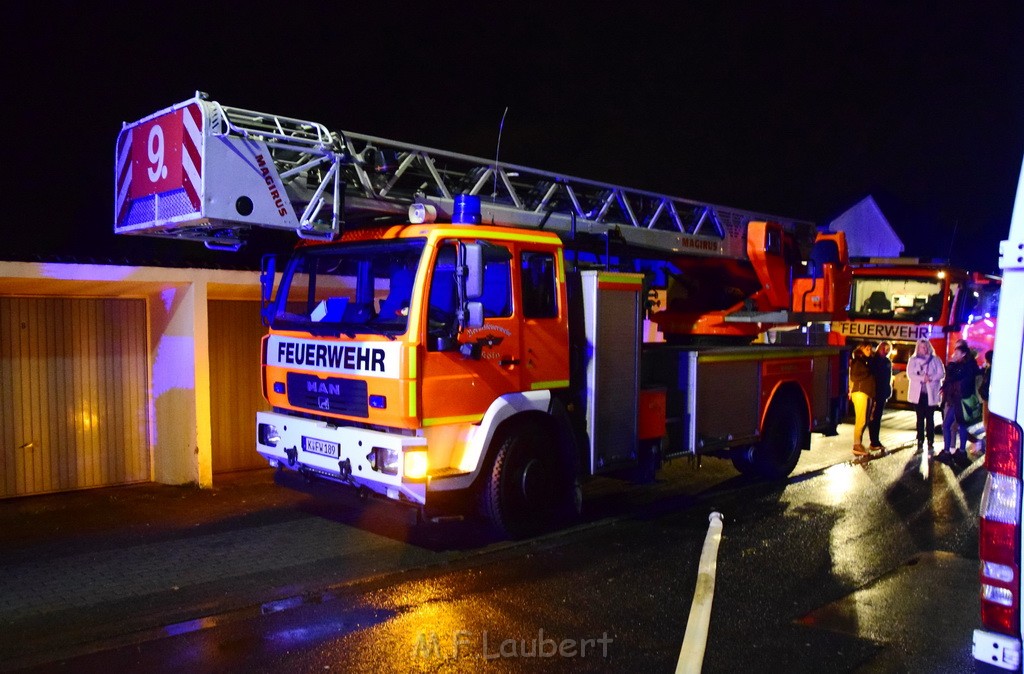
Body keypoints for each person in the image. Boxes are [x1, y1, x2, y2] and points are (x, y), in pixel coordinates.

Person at [940, 343, 980, 460]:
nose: (954, 355)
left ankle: (947, 452)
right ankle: (961, 451)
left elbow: (952, 376)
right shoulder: (971, 365)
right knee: (962, 425)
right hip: (963, 400)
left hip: (958, 400)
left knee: (947, 425)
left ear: (963, 354)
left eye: (956, 353)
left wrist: (952, 363)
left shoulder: (962, 366)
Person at [906, 337, 944, 452]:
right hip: (919, 394)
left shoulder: (935, 359)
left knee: (930, 418)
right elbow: (911, 374)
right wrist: (922, 377)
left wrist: (930, 378)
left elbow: (941, 374)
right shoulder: (913, 360)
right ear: (918, 348)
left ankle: (930, 439)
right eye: (922, 347)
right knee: (919, 418)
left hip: (930, 393)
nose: (925, 349)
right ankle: (920, 439)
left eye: (926, 346)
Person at [849, 343, 876, 456]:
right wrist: (869, 371)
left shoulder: (866, 361)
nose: (869, 350)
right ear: (861, 349)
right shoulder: (858, 361)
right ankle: (856, 444)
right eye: (867, 348)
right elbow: (854, 376)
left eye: (870, 348)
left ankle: (858, 443)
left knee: (864, 419)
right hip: (861, 392)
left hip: (867, 392)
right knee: (861, 420)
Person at [866, 341, 894, 451]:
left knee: (877, 418)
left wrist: (888, 390)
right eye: (884, 348)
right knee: (873, 418)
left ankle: (875, 440)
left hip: (882, 393)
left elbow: (887, 378)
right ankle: (874, 441)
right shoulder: (874, 360)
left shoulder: (887, 361)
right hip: (875, 392)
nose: (885, 351)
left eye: (888, 349)